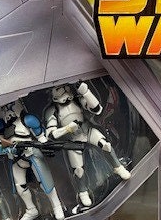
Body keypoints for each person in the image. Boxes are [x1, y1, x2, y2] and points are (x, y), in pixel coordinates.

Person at [44, 82, 130, 211]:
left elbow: (96, 109)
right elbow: (51, 134)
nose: (63, 90)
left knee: (106, 145)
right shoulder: (52, 110)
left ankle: (118, 167)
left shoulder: (77, 100)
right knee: (78, 170)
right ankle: (83, 192)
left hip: (87, 130)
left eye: (64, 87)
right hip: (72, 140)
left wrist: (86, 92)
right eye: (58, 89)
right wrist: (67, 129)